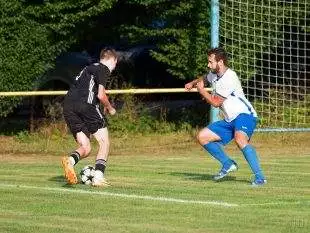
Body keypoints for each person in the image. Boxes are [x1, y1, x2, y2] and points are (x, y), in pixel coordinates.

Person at [185, 47, 266, 186]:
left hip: (244, 115)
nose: (208, 65)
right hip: (230, 119)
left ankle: (260, 178)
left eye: (211, 62)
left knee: (240, 139)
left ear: (220, 62)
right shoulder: (214, 74)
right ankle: (228, 164)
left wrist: (201, 91)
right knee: (202, 137)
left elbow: (216, 103)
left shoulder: (230, 77)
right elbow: (204, 78)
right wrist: (193, 83)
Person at [61, 48, 118, 187]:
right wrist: (110, 108)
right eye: (116, 64)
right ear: (113, 60)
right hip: (86, 106)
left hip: (68, 107)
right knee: (104, 142)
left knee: (86, 147)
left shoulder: (87, 68)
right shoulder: (103, 69)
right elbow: (100, 95)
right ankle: (98, 177)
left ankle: (70, 161)